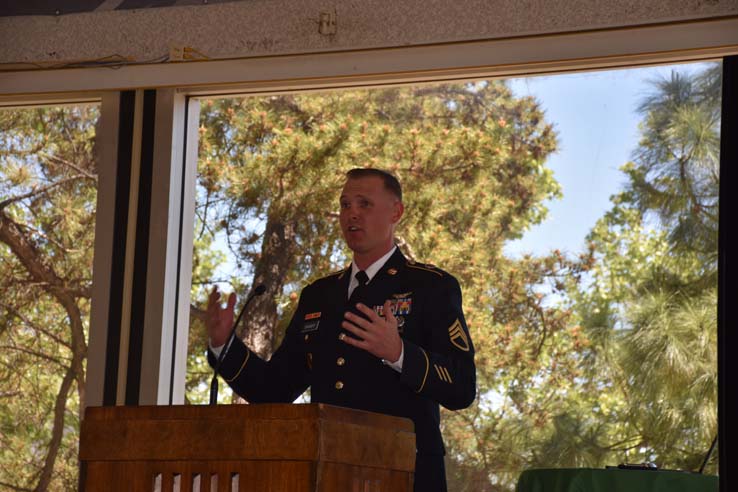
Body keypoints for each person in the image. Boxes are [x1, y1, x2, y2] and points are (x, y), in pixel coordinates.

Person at [206, 168, 476, 492]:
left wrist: (400, 354)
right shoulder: (319, 295)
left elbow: (462, 385)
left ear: (396, 212)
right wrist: (225, 345)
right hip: (329, 472)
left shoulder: (430, 286)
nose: (352, 214)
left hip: (405, 473)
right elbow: (273, 390)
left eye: (364, 204)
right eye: (345, 204)